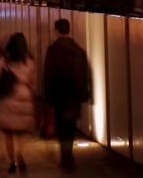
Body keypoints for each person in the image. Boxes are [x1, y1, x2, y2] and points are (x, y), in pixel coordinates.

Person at [43, 19, 91, 172]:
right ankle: (68, 156)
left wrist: (48, 96)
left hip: (59, 95)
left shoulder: (53, 50)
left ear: (57, 31)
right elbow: (86, 73)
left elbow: (48, 75)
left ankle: (66, 158)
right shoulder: (79, 50)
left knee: (62, 127)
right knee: (70, 126)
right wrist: (87, 93)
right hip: (75, 95)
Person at [0, 33, 37, 174]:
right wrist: (32, 95)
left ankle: (11, 162)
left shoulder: (4, 60)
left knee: (8, 133)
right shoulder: (29, 61)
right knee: (21, 133)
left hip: (8, 98)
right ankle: (21, 154)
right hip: (24, 97)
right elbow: (32, 82)